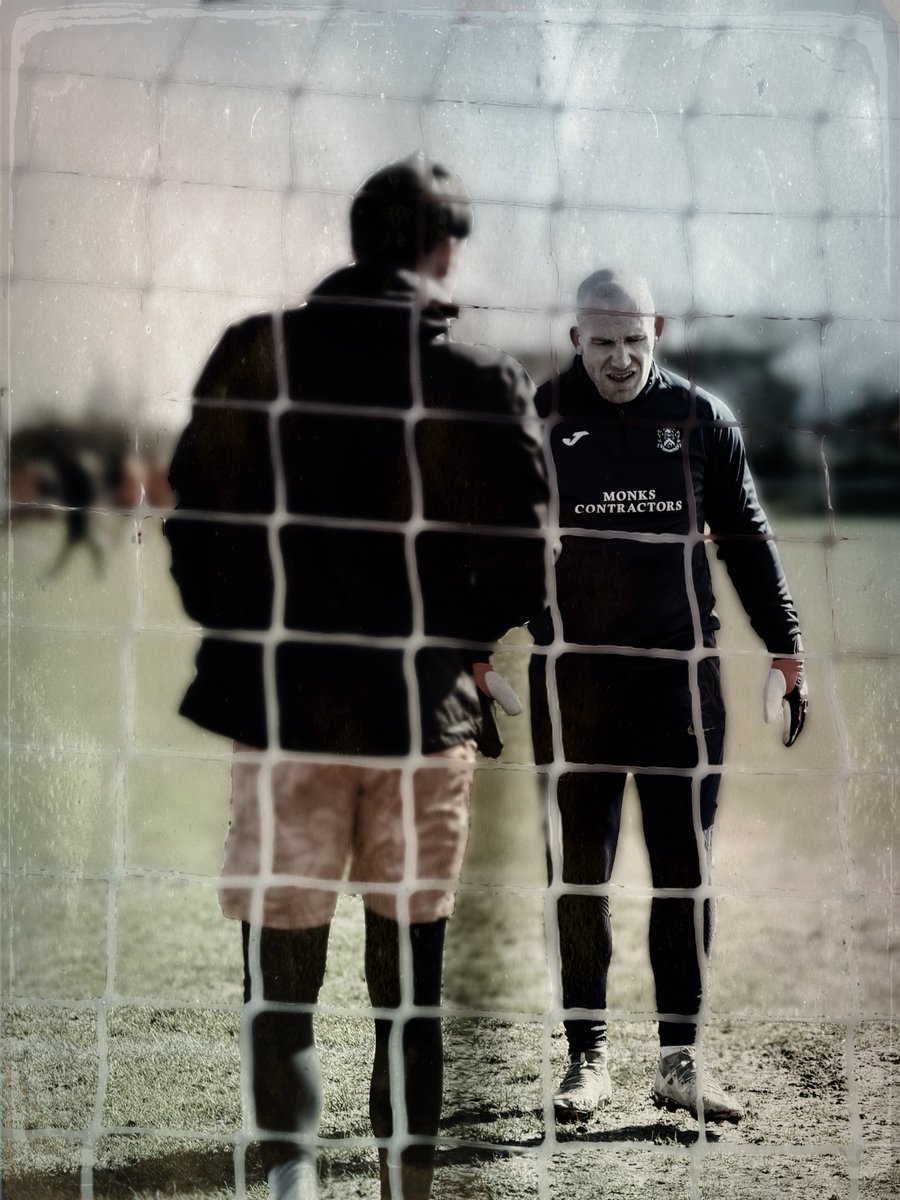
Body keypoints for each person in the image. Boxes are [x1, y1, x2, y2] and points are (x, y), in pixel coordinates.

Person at [165, 155, 548, 1200]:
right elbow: (527, 559)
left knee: (280, 982)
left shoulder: (256, 353)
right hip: (424, 724)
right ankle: (401, 1187)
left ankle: (287, 1180)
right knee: (412, 985)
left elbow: (193, 523)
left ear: (356, 238)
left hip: (288, 717)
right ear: (443, 252)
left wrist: (260, 639)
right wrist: (456, 639)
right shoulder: (476, 379)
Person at [529, 268, 807, 1125]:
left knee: (684, 875)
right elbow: (487, 544)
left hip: (681, 684)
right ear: (576, 338)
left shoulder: (700, 419)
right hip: (574, 683)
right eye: (603, 344)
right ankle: (587, 1059)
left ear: (660, 330)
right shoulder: (537, 418)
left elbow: (748, 541)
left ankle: (679, 1057)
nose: (620, 361)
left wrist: (787, 648)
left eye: (636, 343)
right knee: (581, 871)